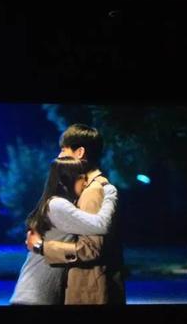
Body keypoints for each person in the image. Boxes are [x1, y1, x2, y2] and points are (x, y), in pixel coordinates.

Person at [26, 124, 126, 304]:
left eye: (63, 150)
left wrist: (43, 247)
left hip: (90, 290)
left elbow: (91, 249)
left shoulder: (93, 191)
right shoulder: (88, 187)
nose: (59, 156)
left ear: (80, 153)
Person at [10, 157, 118, 305]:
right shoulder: (57, 205)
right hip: (35, 295)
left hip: (37, 293)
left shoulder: (56, 204)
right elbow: (102, 225)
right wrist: (110, 194)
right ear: (66, 181)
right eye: (81, 178)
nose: (85, 183)